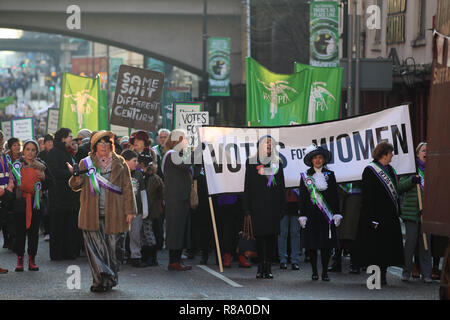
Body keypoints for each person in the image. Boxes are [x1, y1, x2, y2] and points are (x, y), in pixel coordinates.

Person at [68, 131, 136, 292]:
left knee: (112, 249)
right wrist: (76, 178)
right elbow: (75, 185)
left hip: (115, 213)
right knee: (95, 249)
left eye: (107, 144)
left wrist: (130, 210)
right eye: (101, 143)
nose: (104, 147)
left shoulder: (120, 163)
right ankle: (99, 280)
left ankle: (110, 279)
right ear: (94, 146)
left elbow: (128, 188)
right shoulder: (85, 163)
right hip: (91, 213)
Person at [353, 141, 404, 285]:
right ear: (384, 154)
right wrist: (371, 218)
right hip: (376, 216)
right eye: (390, 152)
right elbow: (368, 196)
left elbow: (395, 192)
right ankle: (374, 277)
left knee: (387, 247)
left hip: (390, 216)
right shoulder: (370, 170)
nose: (392, 155)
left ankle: (384, 275)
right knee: (375, 248)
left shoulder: (391, 170)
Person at [243, 135, 286, 279]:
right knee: (260, 237)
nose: (268, 145)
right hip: (257, 206)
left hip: (273, 206)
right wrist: (247, 208)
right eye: (265, 143)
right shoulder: (251, 162)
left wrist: (282, 207)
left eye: (270, 144)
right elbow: (247, 187)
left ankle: (268, 267)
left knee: (271, 237)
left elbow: (281, 187)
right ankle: (260, 266)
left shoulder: (277, 162)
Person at [298, 144, 341, 282]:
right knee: (312, 245)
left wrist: (336, 213)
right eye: (315, 158)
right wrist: (302, 214)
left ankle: (324, 273)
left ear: (324, 160)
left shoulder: (331, 175)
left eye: (320, 158)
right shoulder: (305, 175)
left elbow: (335, 195)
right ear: (311, 160)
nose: (317, 160)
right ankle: (314, 271)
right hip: (311, 214)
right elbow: (303, 196)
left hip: (326, 215)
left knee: (326, 245)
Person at [12, 140, 53, 272]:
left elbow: (51, 183)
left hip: (36, 202)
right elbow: (10, 183)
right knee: (19, 232)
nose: (30, 152)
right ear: (24, 151)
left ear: (36, 152)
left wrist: (44, 177)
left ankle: (32, 259)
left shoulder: (42, 165)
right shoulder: (17, 164)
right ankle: (19, 259)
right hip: (20, 202)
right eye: (28, 149)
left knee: (33, 233)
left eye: (33, 150)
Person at [398, 142, 432, 282]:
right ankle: (406, 271)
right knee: (410, 243)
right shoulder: (411, 169)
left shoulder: (433, 170)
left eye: (428, 151)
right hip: (411, 213)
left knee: (426, 245)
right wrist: (412, 180)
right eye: (424, 150)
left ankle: (427, 274)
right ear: (418, 153)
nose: (426, 153)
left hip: (427, 213)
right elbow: (399, 187)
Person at [46, 128, 81, 260]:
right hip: (59, 196)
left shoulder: (68, 153)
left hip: (70, 196)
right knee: (58, 226)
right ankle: (57, 253)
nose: (72, 139)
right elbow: (55, 172)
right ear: (62, 139)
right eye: (70, 136)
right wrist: (71, 173)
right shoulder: (54, 153)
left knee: (70, 226)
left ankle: (68, 251)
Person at [162, 129, 193, 271]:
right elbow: (186, 165)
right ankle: (173, 261)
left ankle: (178, 259)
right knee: (175, 229)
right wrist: (196, 151)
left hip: (181, 197)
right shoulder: (171, 155)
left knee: (181, 229)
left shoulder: (177, 155)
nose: (186, 141)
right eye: (184, 139)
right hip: (175, 199)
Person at [121, 149, 148, 268]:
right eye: (134, 160)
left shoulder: (138, 174)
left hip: (136, 210)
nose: (136, 163)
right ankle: (120, 256)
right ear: (125, 161)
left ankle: (135, 256)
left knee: (135, 235)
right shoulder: (119, 174)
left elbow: (143, 192)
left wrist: (145, 208)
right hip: (122, 210)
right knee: (121, 235)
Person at [329, 181, 363, 274]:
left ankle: (355, 263)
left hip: (355, 195)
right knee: (338, 230)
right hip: (339, 193)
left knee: (352, 231)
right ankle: (337, 262)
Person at [141, 149, 162, 267]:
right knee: (144, 233)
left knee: (148, 232)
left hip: (149, 209)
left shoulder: (152, 178)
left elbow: (150, 195)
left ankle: (152, 257)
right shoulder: (147, 176)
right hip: (146, 208)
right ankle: (146, 255)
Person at [37, 133, 54, 242]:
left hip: (54, 184)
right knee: (46, 210)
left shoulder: (56, 154)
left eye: (51, 142)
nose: (50, 144)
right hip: (45, 186)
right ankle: (47, 231)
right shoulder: (41, 155)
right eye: (48, 142)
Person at [279, 189, 301, 271]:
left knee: (295, 234)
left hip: (296, 204)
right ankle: (282, 260)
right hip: (283, 204)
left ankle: (295, 261)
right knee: (282, 233)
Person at [0, 131, 14, 250]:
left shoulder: (5, 156)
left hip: (6, 194)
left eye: (1, 140)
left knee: (6, 219)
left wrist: (10, 186)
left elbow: (10, 173)